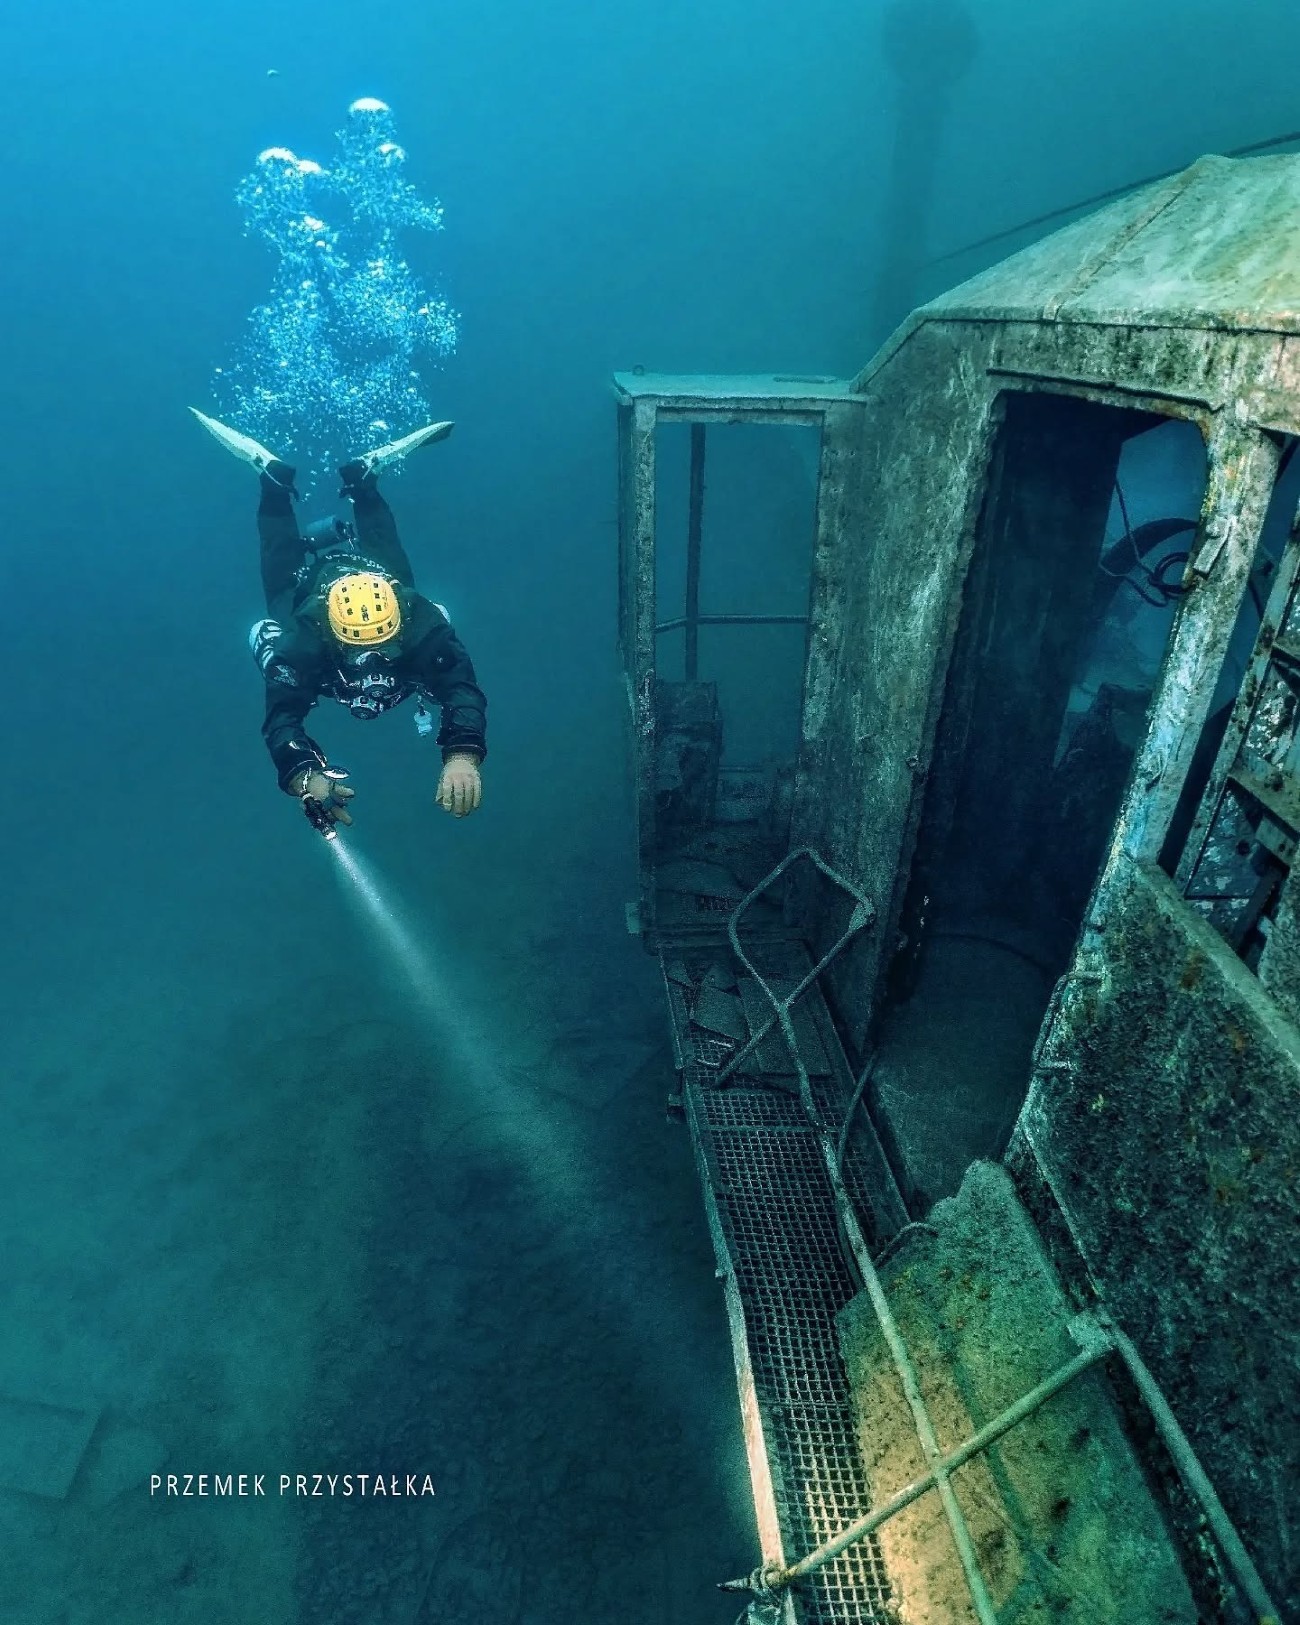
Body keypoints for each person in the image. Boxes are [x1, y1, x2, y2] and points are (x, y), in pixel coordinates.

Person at [192, 410, 486, 835]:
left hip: (378, 581)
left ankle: (332, 482)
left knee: (392, 570)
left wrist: (462, 754)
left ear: (398, 620)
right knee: (281, 598)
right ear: (334, 634)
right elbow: (282, 719)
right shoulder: (304, 640)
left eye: (382, 646)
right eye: (361, 649)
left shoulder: (423, 623)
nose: (373, 662)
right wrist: (304, 777)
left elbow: (461, 689)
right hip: (311, 592)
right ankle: (302, 485)